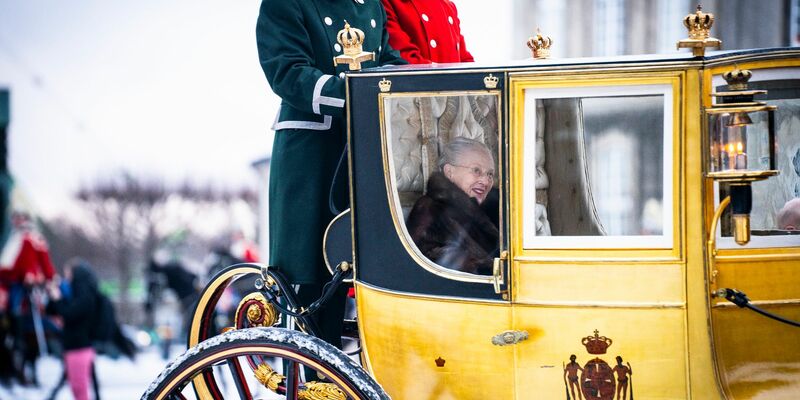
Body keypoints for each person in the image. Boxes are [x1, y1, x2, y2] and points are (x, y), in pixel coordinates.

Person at [256, 0, 406, 351]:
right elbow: (287, 72)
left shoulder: (369, 5)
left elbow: (387, 57)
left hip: (365, 148)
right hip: (314, 156)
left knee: (373, 269)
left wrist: (409, 82)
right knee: (315, 278)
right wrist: (356, 94)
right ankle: (316, 382)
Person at [405, 137, 498, 274]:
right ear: (449, 172)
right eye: (476, 170)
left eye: (490, 174)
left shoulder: (490, 208)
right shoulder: (430, 210)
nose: (485, 180)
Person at [46, 261, 99, 400]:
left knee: (79, 390)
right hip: (75, 347)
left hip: (79, 348)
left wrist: (58, 298)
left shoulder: (85, 295)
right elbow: (54, 311)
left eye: (69, 274)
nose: (67, 278)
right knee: (78, 389)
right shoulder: (77, 293)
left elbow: (69, 314)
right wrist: (54, 297)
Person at [381, 0, 474, 64]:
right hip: (421, 87)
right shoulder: (390, 3)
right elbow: (403, 56)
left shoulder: (448, 6)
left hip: (454, 88)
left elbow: (464, 58)